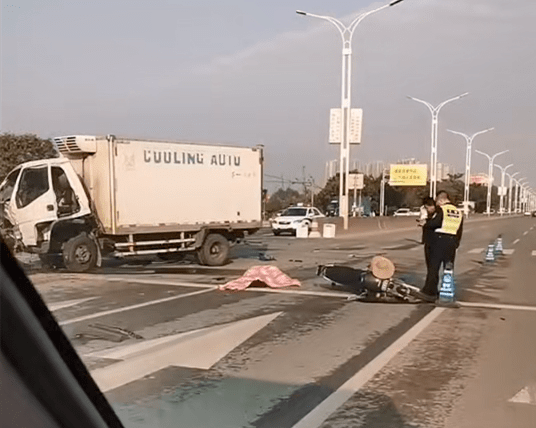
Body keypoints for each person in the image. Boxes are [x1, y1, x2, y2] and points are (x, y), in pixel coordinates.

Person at [420, 191, 463, 302]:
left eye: (438, 201)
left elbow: (436, 223)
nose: (437, 204)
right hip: (452, 241)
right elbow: (459, 230)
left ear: (441, 200)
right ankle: (447, 290)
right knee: (448, 268)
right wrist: (456, 243)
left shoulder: (442, 210)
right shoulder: (458, 212)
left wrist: (425, 223)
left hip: (439, 240)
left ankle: (430, 291)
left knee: (433, 268)